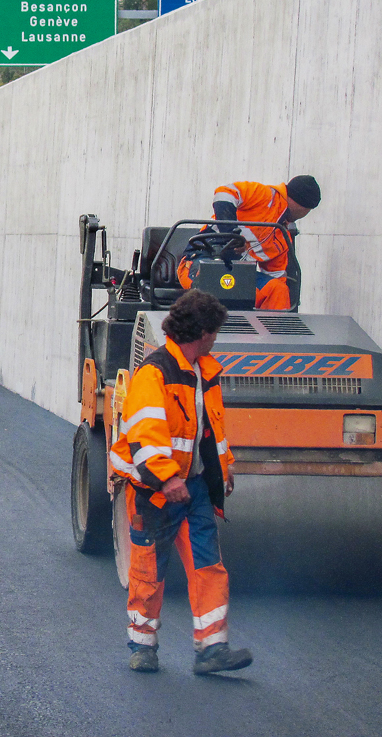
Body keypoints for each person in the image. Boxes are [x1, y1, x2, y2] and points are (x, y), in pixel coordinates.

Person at [110, 289, 252, 675]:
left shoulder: (205, 371)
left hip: (195, 489)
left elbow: (211, 431)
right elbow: (145, 434)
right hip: (156, 493)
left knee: (208, 566)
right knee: (149, 573)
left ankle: (212, 649)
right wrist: (167, 478)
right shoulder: (155, 373)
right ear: (203, 333)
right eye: (215, 332)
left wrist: (224, 467)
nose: (216, 338)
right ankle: (143, 647)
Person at [178, 175, 321, 310]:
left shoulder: (283, 238)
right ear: (305, 208)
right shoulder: (264, 195)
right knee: (212, 281)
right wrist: (231, 233)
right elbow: (224, 193)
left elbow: (276, 276)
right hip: (201, 258)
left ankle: (271, 328)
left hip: (240, 275)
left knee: (278, 289)